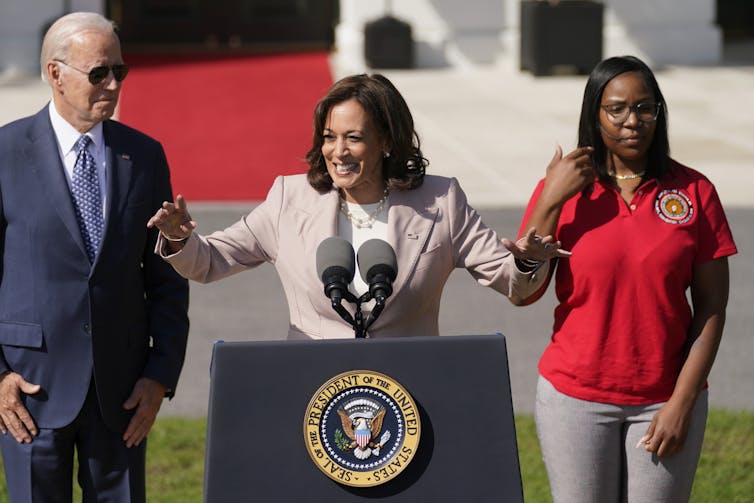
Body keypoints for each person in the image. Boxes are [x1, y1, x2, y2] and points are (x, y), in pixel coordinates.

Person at [147, 73, 565, 340]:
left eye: (354, 137)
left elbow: (513, 283)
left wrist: (527, 262)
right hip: (314, 394)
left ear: (386, 141)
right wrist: (179, 238)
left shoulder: (441, 201)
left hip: (409, 396)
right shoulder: (289, 199)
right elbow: (210, 262)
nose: (337, 151)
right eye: (329, 136)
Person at [518, 55, 737, 502]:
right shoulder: (564, 190)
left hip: (664, 398)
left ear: (659, 112)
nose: (631, 120)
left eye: (644, 108)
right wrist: (550, 201)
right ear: (594, 115)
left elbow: (712, 307)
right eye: (616, 109)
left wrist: (683, 402)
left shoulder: (694, 191)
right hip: (574, 399)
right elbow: (523, 292)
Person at [0, 12, 189, 502]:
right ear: (55, 74)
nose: (112, 84)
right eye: (99, 73)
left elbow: (166, 279)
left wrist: (159, 374)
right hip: (29, 394)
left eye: (119, 72)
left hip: (121, 394)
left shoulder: (144, 156)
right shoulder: (4, 153)